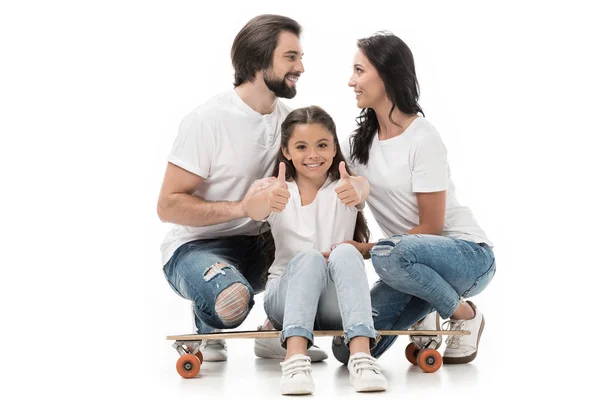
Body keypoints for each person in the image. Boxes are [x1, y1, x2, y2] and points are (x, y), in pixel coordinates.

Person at [156, 14, 327, 362]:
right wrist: (242, 208)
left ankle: (273, 333)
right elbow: (167, 206)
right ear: (260, 60)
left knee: (324, 266)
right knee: (231, 302)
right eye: (291, 57)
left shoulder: (289, 122)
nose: (301, 68)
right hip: (197, 247)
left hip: (260, 246)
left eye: (301, 57)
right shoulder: (208, 121)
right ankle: (210, 323)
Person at [332, 32, 496, 365]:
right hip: (403, 263)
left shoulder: (423, 138)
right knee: (347, 345)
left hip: (467, 256)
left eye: (359, 70)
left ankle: (465, 314)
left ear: (387, 74)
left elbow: (432, 227)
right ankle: (429, 308)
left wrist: (367, 250)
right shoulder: (358, 145)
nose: (351, 81)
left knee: (387, 255)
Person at [247, 106, 388, 395]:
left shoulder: (346, 185)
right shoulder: (276, 189)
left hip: (336, 305)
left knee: (347, 252)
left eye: (322, 145)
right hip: (283, 304)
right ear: (286, 151)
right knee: (309, 258)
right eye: (301, 147)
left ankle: (362, 357)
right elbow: (252, 207)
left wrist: (358, 191)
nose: (313, 155)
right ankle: (296, 358)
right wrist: (267, 199)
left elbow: (362, 188)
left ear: (334, 147)